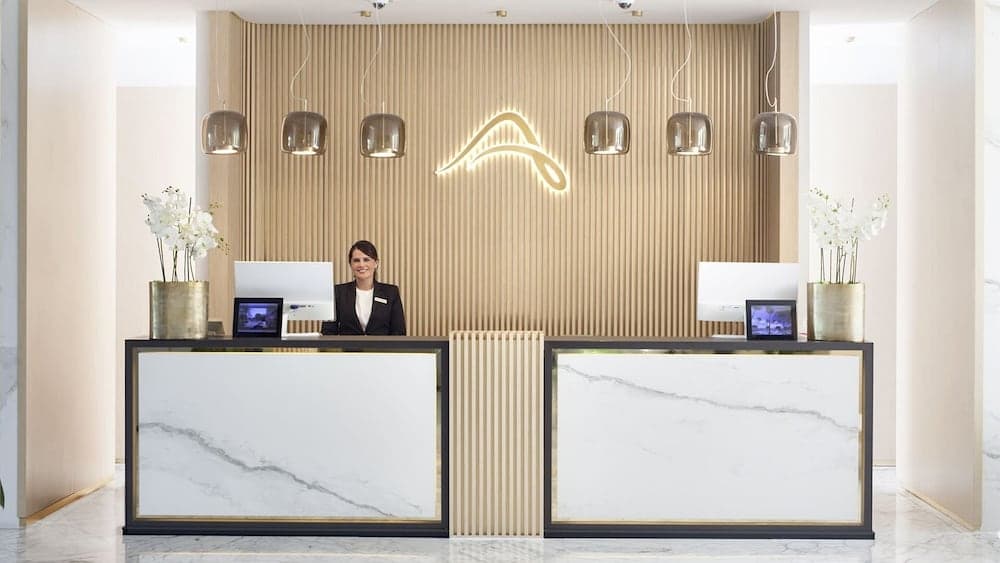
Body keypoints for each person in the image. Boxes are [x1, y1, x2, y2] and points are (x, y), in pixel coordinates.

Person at [321, 240, 406, 336]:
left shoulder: (391, 292)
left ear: (376, 263)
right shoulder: (338, 292)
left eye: (366, 259)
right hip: (348, 346)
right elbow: (328, 332)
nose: (361, 265)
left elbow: (399, 332)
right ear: (350, 264)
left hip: (381, 346)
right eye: (356, 260)